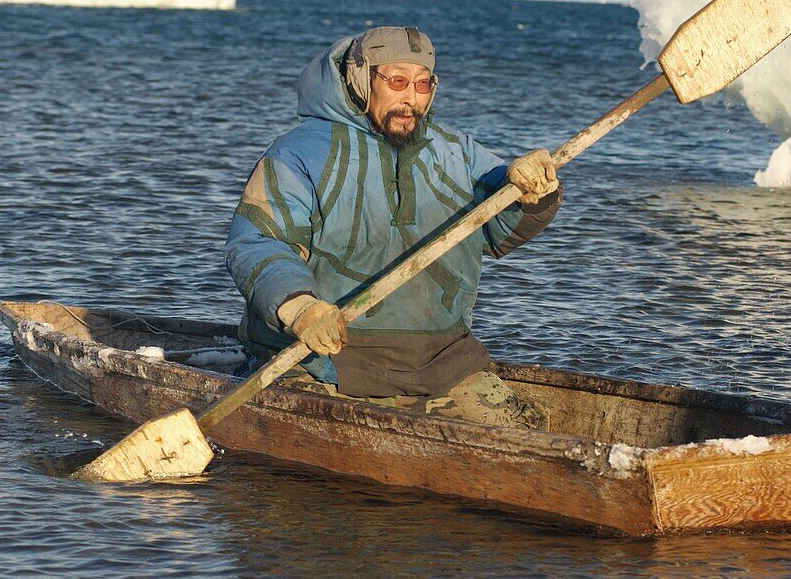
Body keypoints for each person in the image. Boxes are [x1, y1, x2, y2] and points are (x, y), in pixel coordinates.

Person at [225, 26, 561, 429]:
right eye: (397, 81)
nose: (411, 98)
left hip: (441, 366)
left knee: (527, 431)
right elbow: (259, 243)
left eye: (423, 84)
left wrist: (533, 192)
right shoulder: (298, 153)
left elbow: (502, 232)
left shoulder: (457, 152)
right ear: (361, 79)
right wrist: (301, 309)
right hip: (322, 364)